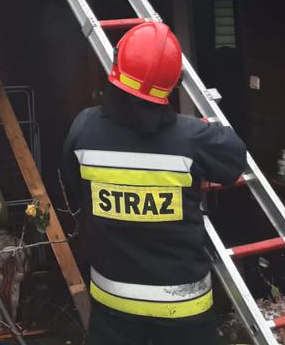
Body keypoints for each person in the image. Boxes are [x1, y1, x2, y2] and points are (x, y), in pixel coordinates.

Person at [62, 20, 247, 345]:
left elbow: (75, 188)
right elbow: (234, 161)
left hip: (112, 305)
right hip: (184, 310)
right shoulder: (194, 138)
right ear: (173, 83)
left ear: (117, 68)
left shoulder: (84, 130)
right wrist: (204, 128)